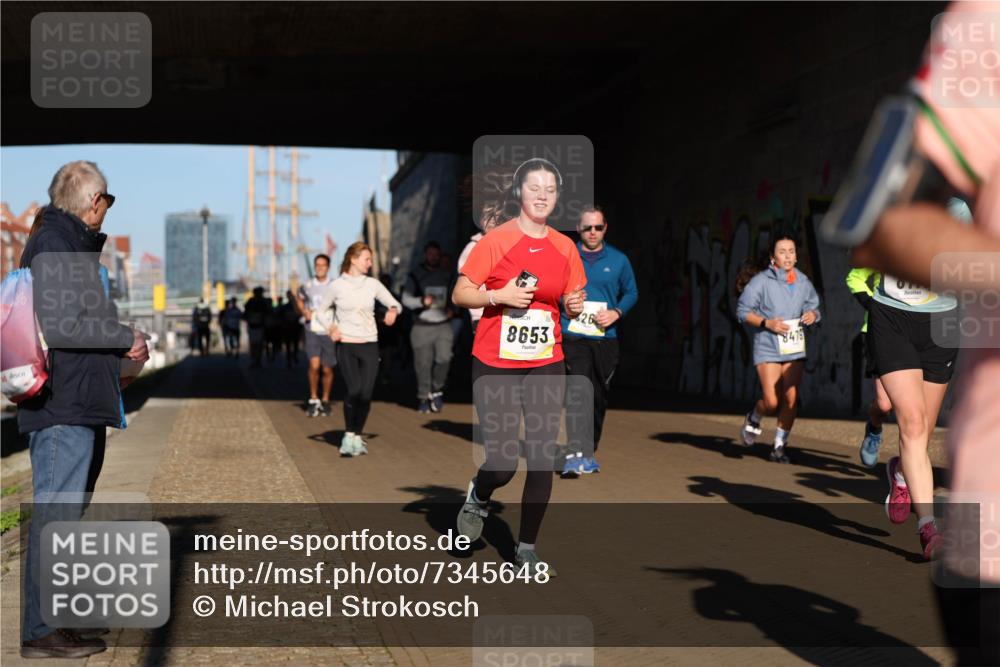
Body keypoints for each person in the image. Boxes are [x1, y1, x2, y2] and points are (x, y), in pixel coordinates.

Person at [848, 5, 998, 656]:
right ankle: (931, 519)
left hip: (939, 321)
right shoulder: (986, 26)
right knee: (911, 424)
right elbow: (871, 214)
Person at [18, 161, 149, 659]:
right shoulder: (55, 246)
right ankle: (40, 632)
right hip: (61, 407)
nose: (106, 210)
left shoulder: (66, 245)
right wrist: (126, 337)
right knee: (56, 517)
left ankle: (56, 622)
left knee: (66, 517)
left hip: (78, 401)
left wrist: (121, 346)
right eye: (107, 201)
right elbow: (67, 325)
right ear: (93, 201)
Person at [452, 158, 587, 575]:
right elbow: (462, 293)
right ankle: (479, 494)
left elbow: (571, 296)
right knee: (503, 462)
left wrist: (573, 304)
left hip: (546, 360)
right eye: (534, 187)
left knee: (543, 456)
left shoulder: (565, 247)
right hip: (495, 361)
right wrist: (499, 296)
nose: (543, 194)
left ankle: (526, 546)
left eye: (550, 188)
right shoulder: (496, 241)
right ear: (520, 194)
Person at [557, 205, 638, 477]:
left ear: (605, 228)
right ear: (578, 229)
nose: (592, 232)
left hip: (606, 338)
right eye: (587, 227)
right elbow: (553, 289)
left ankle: (588, 451)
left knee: (598, 395)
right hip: (573, 334)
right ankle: (573, 453)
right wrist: (566, 302)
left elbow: (631, 292)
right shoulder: (566, 256)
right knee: (578, 390)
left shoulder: (619, 260)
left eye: (598, 227)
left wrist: (616, 312)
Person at [735, 234, 821, 464]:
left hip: (793, 347)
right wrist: (767, 323)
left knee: (791, 398)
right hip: (768, 346)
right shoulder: (760, 282)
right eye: (782, 251)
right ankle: (754, 416)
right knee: (771, 401)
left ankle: (779, 447)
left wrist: (813, 314)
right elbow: (742, 311)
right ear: (773, 258)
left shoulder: (803, 282)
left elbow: (814, 307)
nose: (788, 256)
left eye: (791, 251)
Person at [319, 242, 402, 456]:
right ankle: (348, 435)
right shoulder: (337, 285)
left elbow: (395, 303)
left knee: (365, 394)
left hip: (370, 344)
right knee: (354, 390)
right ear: (353, 259)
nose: (370, 263)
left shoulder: (372, 284)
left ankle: (357, 435)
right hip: (346, 343)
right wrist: (331, 328)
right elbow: (320, 311)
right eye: (367, 259)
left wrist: (393, 311)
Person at [845, 267, 893, 467]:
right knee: (884, 405)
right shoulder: (885, 248)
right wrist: (873, 304)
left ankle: (907, 468)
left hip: (918, 333)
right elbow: (855, 277)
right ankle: (874, 429)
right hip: (879, 331)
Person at [402, 241, 456, 413]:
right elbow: (405, 299)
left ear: (439, 255)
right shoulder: (415, 275)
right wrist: (421, 302)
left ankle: (437, 389)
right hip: (422, 326)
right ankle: (424, 396)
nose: (433, 256)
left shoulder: (447, 275)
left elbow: (457, 295)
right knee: (423, 364)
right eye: (430, 253)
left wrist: (453, 310)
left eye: (436, 253)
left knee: (444, 358)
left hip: (443, 325)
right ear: (425, 255)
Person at [295, 254, 337, 417]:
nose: (320, 268)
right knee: (314, 366)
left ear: (328, 267)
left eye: (323, 265)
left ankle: (325, 399)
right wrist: (304, 311)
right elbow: (298, 298)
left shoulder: (335, 285)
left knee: (327, 369)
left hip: (329, 330)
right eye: (317, 265)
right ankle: (313, 398)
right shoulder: (307, 285)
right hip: (311, 328)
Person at [243, 287, 271, 368]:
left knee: (258, 344)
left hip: (259, 326)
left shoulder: (262, 302)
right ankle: (255, 360)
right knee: (254, 344)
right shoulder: (251, 301)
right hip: (254, 325)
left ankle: (257, 360)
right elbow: (246, 312)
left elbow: (268, 312)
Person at [282, 289, 302, 367]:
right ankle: (290, 358)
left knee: (293, 344)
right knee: (290, 344)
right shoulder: (286, 306)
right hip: (289, 328)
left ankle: (292, 357)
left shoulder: (296, 306)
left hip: (294, 327)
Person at [265, 295, 284, 363]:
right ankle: (269, 355)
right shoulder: (266, 311)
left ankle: (272, 355)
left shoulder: (274, 309)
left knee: (272, 342)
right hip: (268, 328)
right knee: (268, 342)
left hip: (273, 328)